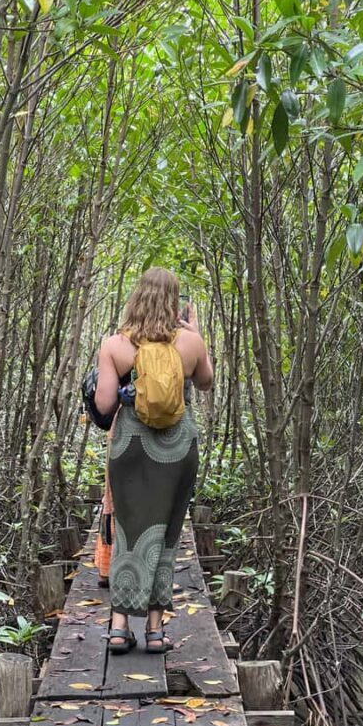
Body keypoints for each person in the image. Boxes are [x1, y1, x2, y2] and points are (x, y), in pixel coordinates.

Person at [95, 267, 213, 653]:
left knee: (129, 530)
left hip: (131, 446)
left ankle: (118, 626)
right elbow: (206, 381)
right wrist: (195, 333)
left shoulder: (115, 345)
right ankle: (156, 630)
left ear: (137, 297)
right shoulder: (190, 343)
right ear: (174, 301)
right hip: (177, 448)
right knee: (165, 534)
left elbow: (104, 405)